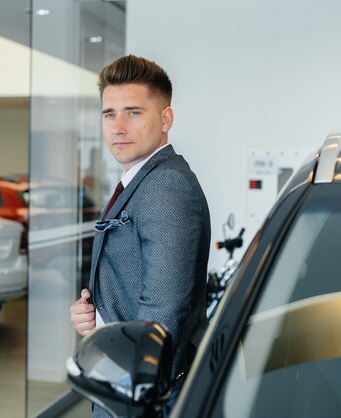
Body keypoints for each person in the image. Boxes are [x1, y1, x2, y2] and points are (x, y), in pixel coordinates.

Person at [69, 54, 211, 416]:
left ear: (165, 118)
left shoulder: (166, 186)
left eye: (133, 112)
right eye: (109, 114)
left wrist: (134, 398)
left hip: (140, 396)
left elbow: (164, 312)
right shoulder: (142, 180)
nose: (118, 127)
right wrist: (96, 314)